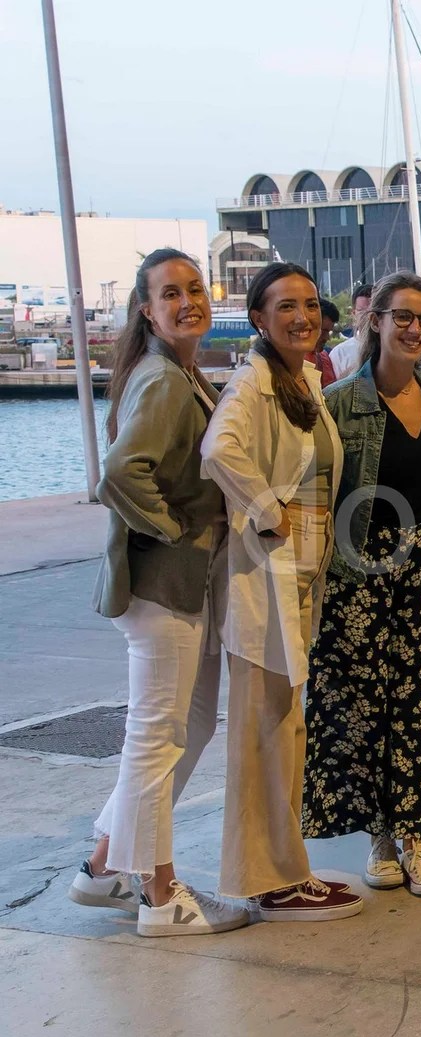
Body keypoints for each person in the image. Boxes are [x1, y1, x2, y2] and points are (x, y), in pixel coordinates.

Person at [68, 248, 249, 936]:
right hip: (162, 587)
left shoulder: (179, 372)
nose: (186, 301)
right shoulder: (166, 380)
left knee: (191, 725)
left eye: (195, 288)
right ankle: (160, 894)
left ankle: (104, 865)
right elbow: (118, 473)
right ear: (147, 309)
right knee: (156, 737)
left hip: (182, 587)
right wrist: (174, 527)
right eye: (170, 293)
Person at [201, 263, 363, 920]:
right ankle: (271, 877)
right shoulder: (252, 384)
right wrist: (270, 509)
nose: (302, 316)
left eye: (309, 304)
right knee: (266, 727)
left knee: (282, 725)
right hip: (266, 579)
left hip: (298, 579)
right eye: (284, 306)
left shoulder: (299, 381)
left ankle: (280, 867)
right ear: (260, 319)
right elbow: (220, 451)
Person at [303, 271, 421, 896]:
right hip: (357, 573)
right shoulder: (339, 403)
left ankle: (414, 836)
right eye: (402, 317)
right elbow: (312, 492)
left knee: (417, 704)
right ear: (377, 322)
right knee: (362, 708)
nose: (414, 329)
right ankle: (379, 837)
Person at [329, 284, 372, 380]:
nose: (368, 316)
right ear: (353, 314)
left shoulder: (393, 348)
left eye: (372, 311)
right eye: (362, 311)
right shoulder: (340, 353)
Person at [311, 299, 339, 387]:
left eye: (329, 331)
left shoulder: (324, 358)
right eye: (323, 331)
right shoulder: (291, 360)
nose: (327, 338)